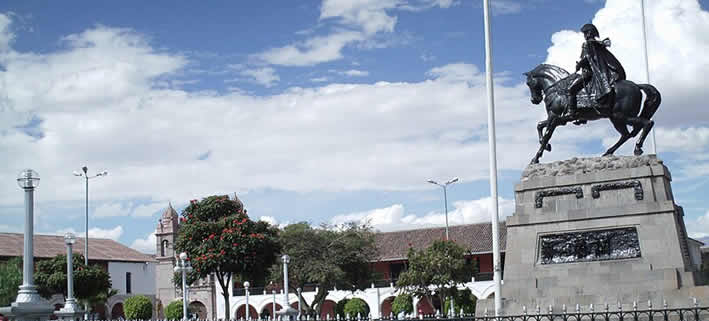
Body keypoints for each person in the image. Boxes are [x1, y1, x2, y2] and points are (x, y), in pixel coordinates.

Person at [565, 24, 626, 119]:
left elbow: (586, 58)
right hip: (595, 73)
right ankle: (583, 117)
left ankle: (571, 112)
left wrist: (579, 65)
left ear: (589, 33)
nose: (584, 35)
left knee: (571, 90)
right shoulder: (597, 44)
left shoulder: (587, 44)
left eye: (585, 33)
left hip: (588, 73)